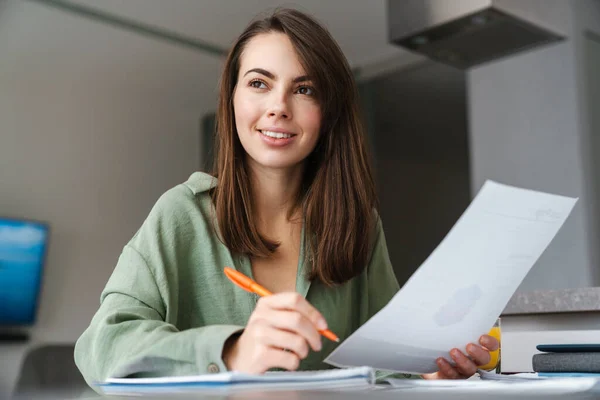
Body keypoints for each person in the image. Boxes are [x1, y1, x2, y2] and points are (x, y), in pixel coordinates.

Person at [74, 8, 498, 388]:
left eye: (304, 89)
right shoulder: (181, 213)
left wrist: (427, 370)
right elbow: (101, 348)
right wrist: (231, 351)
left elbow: (385, 362)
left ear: (328, 112)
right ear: (232, 99)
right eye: (259, 83)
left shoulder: (359, 226)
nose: (278, 107)